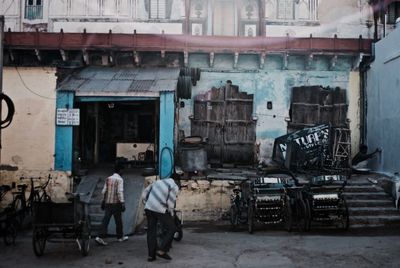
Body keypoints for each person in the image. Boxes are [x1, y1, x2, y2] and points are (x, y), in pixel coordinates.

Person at [142, 177, 179, 262]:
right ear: (176, 181)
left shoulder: (157, 182)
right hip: (159, 209)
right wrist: (172, 213)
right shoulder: (173, 186)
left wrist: (146, 203)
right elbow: (171, 202)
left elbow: (144, 193)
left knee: (151, 231)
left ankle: (151, 256)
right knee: (172, 228)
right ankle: (161, 250)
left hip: (149, 208)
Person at [95, 165, 128, 246]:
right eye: (122, 171)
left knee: (106, 220)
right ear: (120, 171)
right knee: (118, 221)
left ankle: (99, 236)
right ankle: (120, 237)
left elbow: (104, 191)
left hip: (108, 203)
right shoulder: (120, 179)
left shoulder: (108, 178)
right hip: (116, 203)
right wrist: (123, 202)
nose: (123, 173)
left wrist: (103, 200)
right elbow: (120, 192)